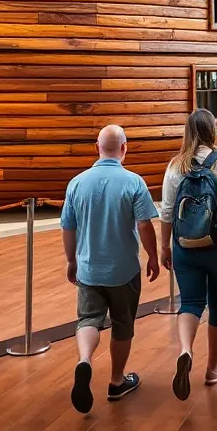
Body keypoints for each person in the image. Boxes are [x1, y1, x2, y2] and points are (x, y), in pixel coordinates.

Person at [61, 124, 159, 414]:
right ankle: (117, 381)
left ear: (97, 148)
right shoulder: (133, 182)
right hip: (124, 271)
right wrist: (152, 256)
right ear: (124, 149)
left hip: (89, 269)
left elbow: (68, 226)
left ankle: (85, 360)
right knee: (122, 324)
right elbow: (144, 224)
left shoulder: (77, 183)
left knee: (88, 320)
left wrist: (71, 261)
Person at [160, 108, 217, 401]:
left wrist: (164, 247)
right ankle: (211, 369)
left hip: (184, 246)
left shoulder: (175, 166)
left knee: (191, 303)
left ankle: (186, 350)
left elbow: (167, 213)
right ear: (213, 130)